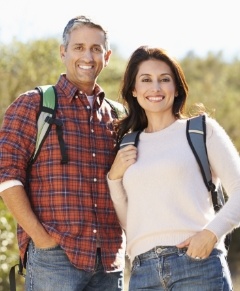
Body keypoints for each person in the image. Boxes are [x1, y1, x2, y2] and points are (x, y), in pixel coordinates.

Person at [0, 15, 126, 291]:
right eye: (79, 47)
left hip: (109, 260)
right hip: (55, 258)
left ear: (107, 56)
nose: (88, 56)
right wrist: (40, 238)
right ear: (63, 52)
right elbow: (6, 175)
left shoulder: (120, 116)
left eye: (95, 49)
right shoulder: (34, 104)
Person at [107, 46, 240, 290]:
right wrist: (114, 179)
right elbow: (131, 223)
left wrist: (210, 235)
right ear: (134, 90)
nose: (155, 88)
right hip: (143, 273)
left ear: (176, 88)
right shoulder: (128, 144)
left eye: (164, 79)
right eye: (146, 80)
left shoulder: (201, 130)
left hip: (197, 265)